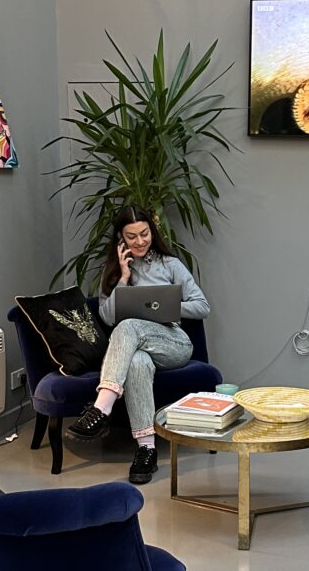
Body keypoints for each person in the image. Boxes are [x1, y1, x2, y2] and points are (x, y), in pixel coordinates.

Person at [69, 205, 210, 486]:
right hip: (136, 349)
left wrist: (166, 306)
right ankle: (147, 450)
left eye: (144, 234)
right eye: (131, 236)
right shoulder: (114, 272)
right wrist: (123, 279)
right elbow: (107, 317)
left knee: (128, 325)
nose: (140, 241)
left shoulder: (170, 265)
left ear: (152, 231)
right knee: (136, 361)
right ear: (121, 238)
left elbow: (202, 306)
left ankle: (101, 408)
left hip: (173, 343)